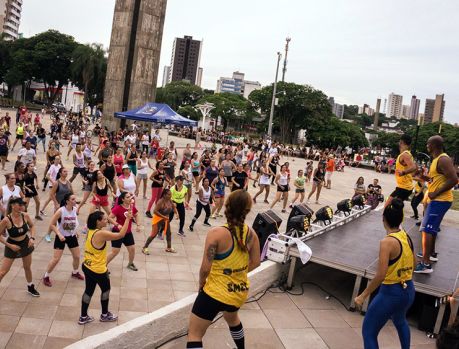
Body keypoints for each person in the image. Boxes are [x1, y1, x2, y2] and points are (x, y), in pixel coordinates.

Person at [186, 189, 261, 349]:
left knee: (194, 334)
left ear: (227, 205)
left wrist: (201, 284)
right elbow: (256, 262)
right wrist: (237, 273)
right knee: (233, 319)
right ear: (247, 210)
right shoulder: (251, 233)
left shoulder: (217, 233)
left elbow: (205, 269)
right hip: (237, 292)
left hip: (214, 294)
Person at [355, 198, 415, 349]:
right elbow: (415, 262)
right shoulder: (405, 236)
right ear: (401, 219)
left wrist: (363, 295)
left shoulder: (387, 242)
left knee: (369, 332)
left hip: (391, 292)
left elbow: (381, 275)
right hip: (409, 289)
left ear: (383, 219)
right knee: (400, 320)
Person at [79, 210, 133, 325]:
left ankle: (83, 316)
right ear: (98, 222)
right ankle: (104, 315)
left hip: (87, 266)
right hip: (98, 270)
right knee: (106, 290)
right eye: (104, 219)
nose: (106, 220)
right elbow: (121, 235)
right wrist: (128, 219)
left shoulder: (91, 231)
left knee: (88, 291)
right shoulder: (100, 234)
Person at [415, 136, 458, 274]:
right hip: (437, 200)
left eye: (428, 143)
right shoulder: (436, 160)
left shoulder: (443, 159)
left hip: (440, 200)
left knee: (426, 230)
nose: (427, 145)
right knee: (431, 229)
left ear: (433, 145)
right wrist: (424, 177)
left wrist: (435, 193)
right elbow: (437, 179)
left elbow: (454, 179)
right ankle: (431, 254)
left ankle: (426, 264)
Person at [0, 197, 40, 296]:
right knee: (3, 272)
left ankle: (30, 287)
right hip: (12, 244)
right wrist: (9, 245)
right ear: (13, 206)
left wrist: (32, 238)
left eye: (22, 205)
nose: (22, 207)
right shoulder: (6, 220)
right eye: (19, 205)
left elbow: (32, 226)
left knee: (27, 267)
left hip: (25, 243)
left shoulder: (25, 215)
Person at [42, 193, 85, 287]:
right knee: (56, 259)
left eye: (75, 199)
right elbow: (52, 224)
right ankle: (46, 276)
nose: (75, 201)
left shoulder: (75, 209)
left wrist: (75, 231)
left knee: (77, 256)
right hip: (61, 237)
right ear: (67, 201)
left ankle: (75, 272)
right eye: (73, 199)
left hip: (71, 236)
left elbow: (72, 221)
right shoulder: (60, 211)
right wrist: (59, 234)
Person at [107, 191, 140, 271]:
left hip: (128, 233)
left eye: (130, 197)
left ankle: (130, 264)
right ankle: (103, 266)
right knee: (115, 252)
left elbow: (136, 214)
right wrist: (117, 225)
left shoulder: (131, 206)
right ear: (122, 199)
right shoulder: (118, 208)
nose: (130, 198)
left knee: (132, 249)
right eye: (127, 197)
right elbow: (109, 218)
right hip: (118, 232)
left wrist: (138, 225)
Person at [385, 134, 417, 208]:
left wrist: (403, 172)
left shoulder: (405, 155)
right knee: (394, 207)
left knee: (388, 206)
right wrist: (410, 175)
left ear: (401, 142)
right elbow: (414, 168)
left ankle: (393, 219)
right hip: (404, 187)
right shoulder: (406, 154)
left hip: (404, 188)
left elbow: (413, 167)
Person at [142, 189, 177, 255]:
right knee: (153, 234)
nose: (170, 195)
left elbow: (173, 206)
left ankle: (169, 247)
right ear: (164, 195)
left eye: (171, 194)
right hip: (158, 220)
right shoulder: (160, 201)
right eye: (169, 194)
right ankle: (144, 247)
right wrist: (164, 217)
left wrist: (176, 213)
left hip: (165, 219)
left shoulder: (169, 200)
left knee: (169, 233)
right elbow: (155, 211)